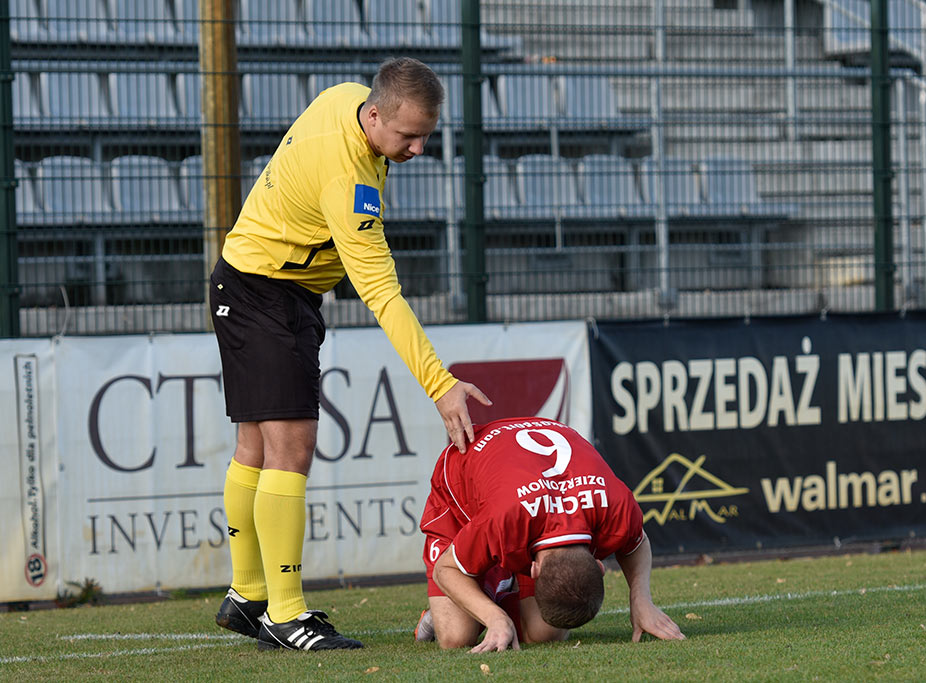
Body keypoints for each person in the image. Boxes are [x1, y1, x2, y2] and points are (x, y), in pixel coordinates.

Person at [208, 57, 491, 652]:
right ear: (374, 114)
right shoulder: (351, 181)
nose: (416, 148)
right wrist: (440, 384)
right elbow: (381, 293)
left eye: (425, 136)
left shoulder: (344, 97)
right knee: (292, 447)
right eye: (407, 135)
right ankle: (284, 615)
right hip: (267, 292)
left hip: (253, 281)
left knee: (255, 445)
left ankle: (246, 594)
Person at [415, 417, 685, 652]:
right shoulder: (503, 519)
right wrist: (495, 618)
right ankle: (479, 590)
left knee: (545, 635)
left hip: (519, 496)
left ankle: (492, 585)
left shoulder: (616, 505)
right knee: (457, 637)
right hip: (463, 483)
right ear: (600, 565)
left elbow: (636, 541)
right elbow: (445, 569)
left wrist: (642, 601)